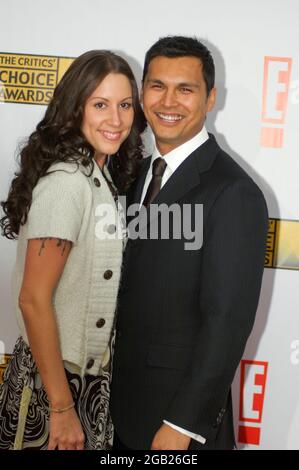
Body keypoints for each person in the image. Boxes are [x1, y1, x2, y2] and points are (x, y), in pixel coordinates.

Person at [110, 36, 268, 450]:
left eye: (186, 89)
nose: (169, 101)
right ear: (142, 92)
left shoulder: (234, 191)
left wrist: (182, 425)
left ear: (210, 98)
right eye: (158, 86)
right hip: (116, 411)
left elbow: (228, 321)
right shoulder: (131, 176)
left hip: (175, 429)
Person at [0, 50, 146, 450]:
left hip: (84, 386)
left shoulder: (99, 178)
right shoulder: (67, 183)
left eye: (124, 105)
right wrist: (62, 407)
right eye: (100, 105)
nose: (115, 120)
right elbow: (33, 299)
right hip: (53, 388)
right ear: (75, 108)